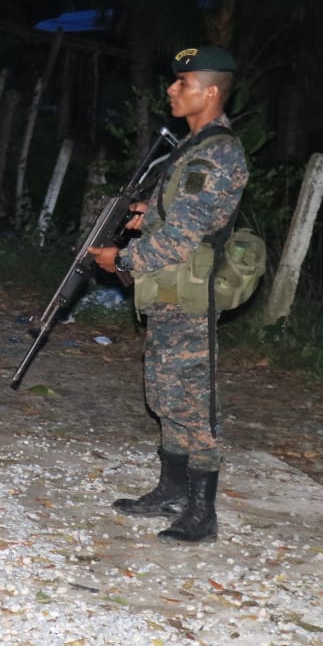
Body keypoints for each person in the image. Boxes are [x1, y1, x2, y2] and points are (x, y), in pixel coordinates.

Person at [89, 45, 249, 543]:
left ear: (212, 91)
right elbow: (176, 217)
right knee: (165, 394)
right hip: (168, 290)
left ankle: (202, 513)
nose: (172, 89)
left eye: (183, 83)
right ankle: (171, 491)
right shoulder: (191, 148)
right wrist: (145, 212)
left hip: (189, 293)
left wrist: (124, 260)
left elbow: (184, 235)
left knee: (193, 403)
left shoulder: (219, 153)